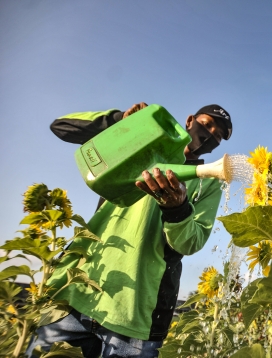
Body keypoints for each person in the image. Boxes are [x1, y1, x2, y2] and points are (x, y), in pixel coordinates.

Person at [26, 103, 232, 357]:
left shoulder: (209, 182)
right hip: (76, 290)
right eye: (207, 124)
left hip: (135, 312)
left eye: (219, 135)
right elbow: (63, 127)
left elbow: (190, 242)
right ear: (190, 120)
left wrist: (177, 209)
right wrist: (120, 122)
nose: (210, 134)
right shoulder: (147, 139)